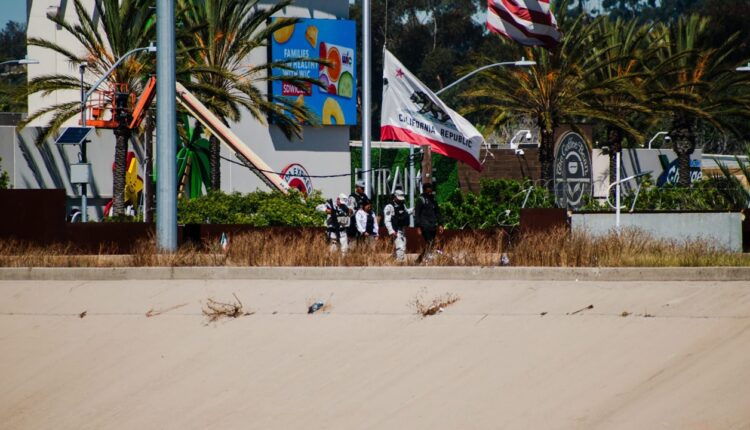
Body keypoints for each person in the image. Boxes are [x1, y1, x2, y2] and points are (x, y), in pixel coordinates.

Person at [415, 182, 443, 263]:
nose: (430, 193)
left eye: (431, 191)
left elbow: (437, 212)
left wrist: (440, 224)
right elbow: (417, 214)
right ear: (424, 191)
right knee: (429, 241)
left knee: (431, 243)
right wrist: (418, 227)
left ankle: (419, 260)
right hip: (424, 225)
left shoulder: (433, 200)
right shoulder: (421, 200)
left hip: (432, 225)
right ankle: (428, 258)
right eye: (428, 192)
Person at [384, 189, 410, 261]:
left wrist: (413, 210)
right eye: (399, 199)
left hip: (402, 229)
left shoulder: (402, 205)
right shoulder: (389, 207)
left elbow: (406, 212)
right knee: (400, 247)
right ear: (395, 197)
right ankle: (399, 262)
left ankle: (391, 261)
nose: (400, 200)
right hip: (395, 230)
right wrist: (391, 231)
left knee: (403, 246)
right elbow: (387, 220)